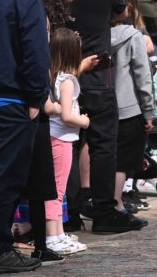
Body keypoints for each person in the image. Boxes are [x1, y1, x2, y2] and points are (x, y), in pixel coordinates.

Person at [36, 0, 137, 233]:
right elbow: (120, 10)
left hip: (58, 72)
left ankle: (70, 212)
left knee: (66, 141)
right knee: (104, 144)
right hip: (97, 72)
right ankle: (105, 211)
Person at [0, 0, 50, 273]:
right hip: (9, 98)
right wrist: (35, 97)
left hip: (3, 94)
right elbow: (35, 54)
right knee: (4, 178)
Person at [109, 0, 155, 225]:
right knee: (122, 161)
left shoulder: (97, 35)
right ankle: (116, 204)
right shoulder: (133, 37)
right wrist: (149, 111)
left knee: (105, 156)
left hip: (102, 104)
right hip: (129, 107)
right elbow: (142, 76)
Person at [45, 28, 92, 256]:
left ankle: (58, 233)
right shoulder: (68, 81)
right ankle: (53, 236)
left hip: (57, 137)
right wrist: (84, 121)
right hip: (62, 139)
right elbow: (66, 115)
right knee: (58, 190)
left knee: (57, 189)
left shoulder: (55, 75)